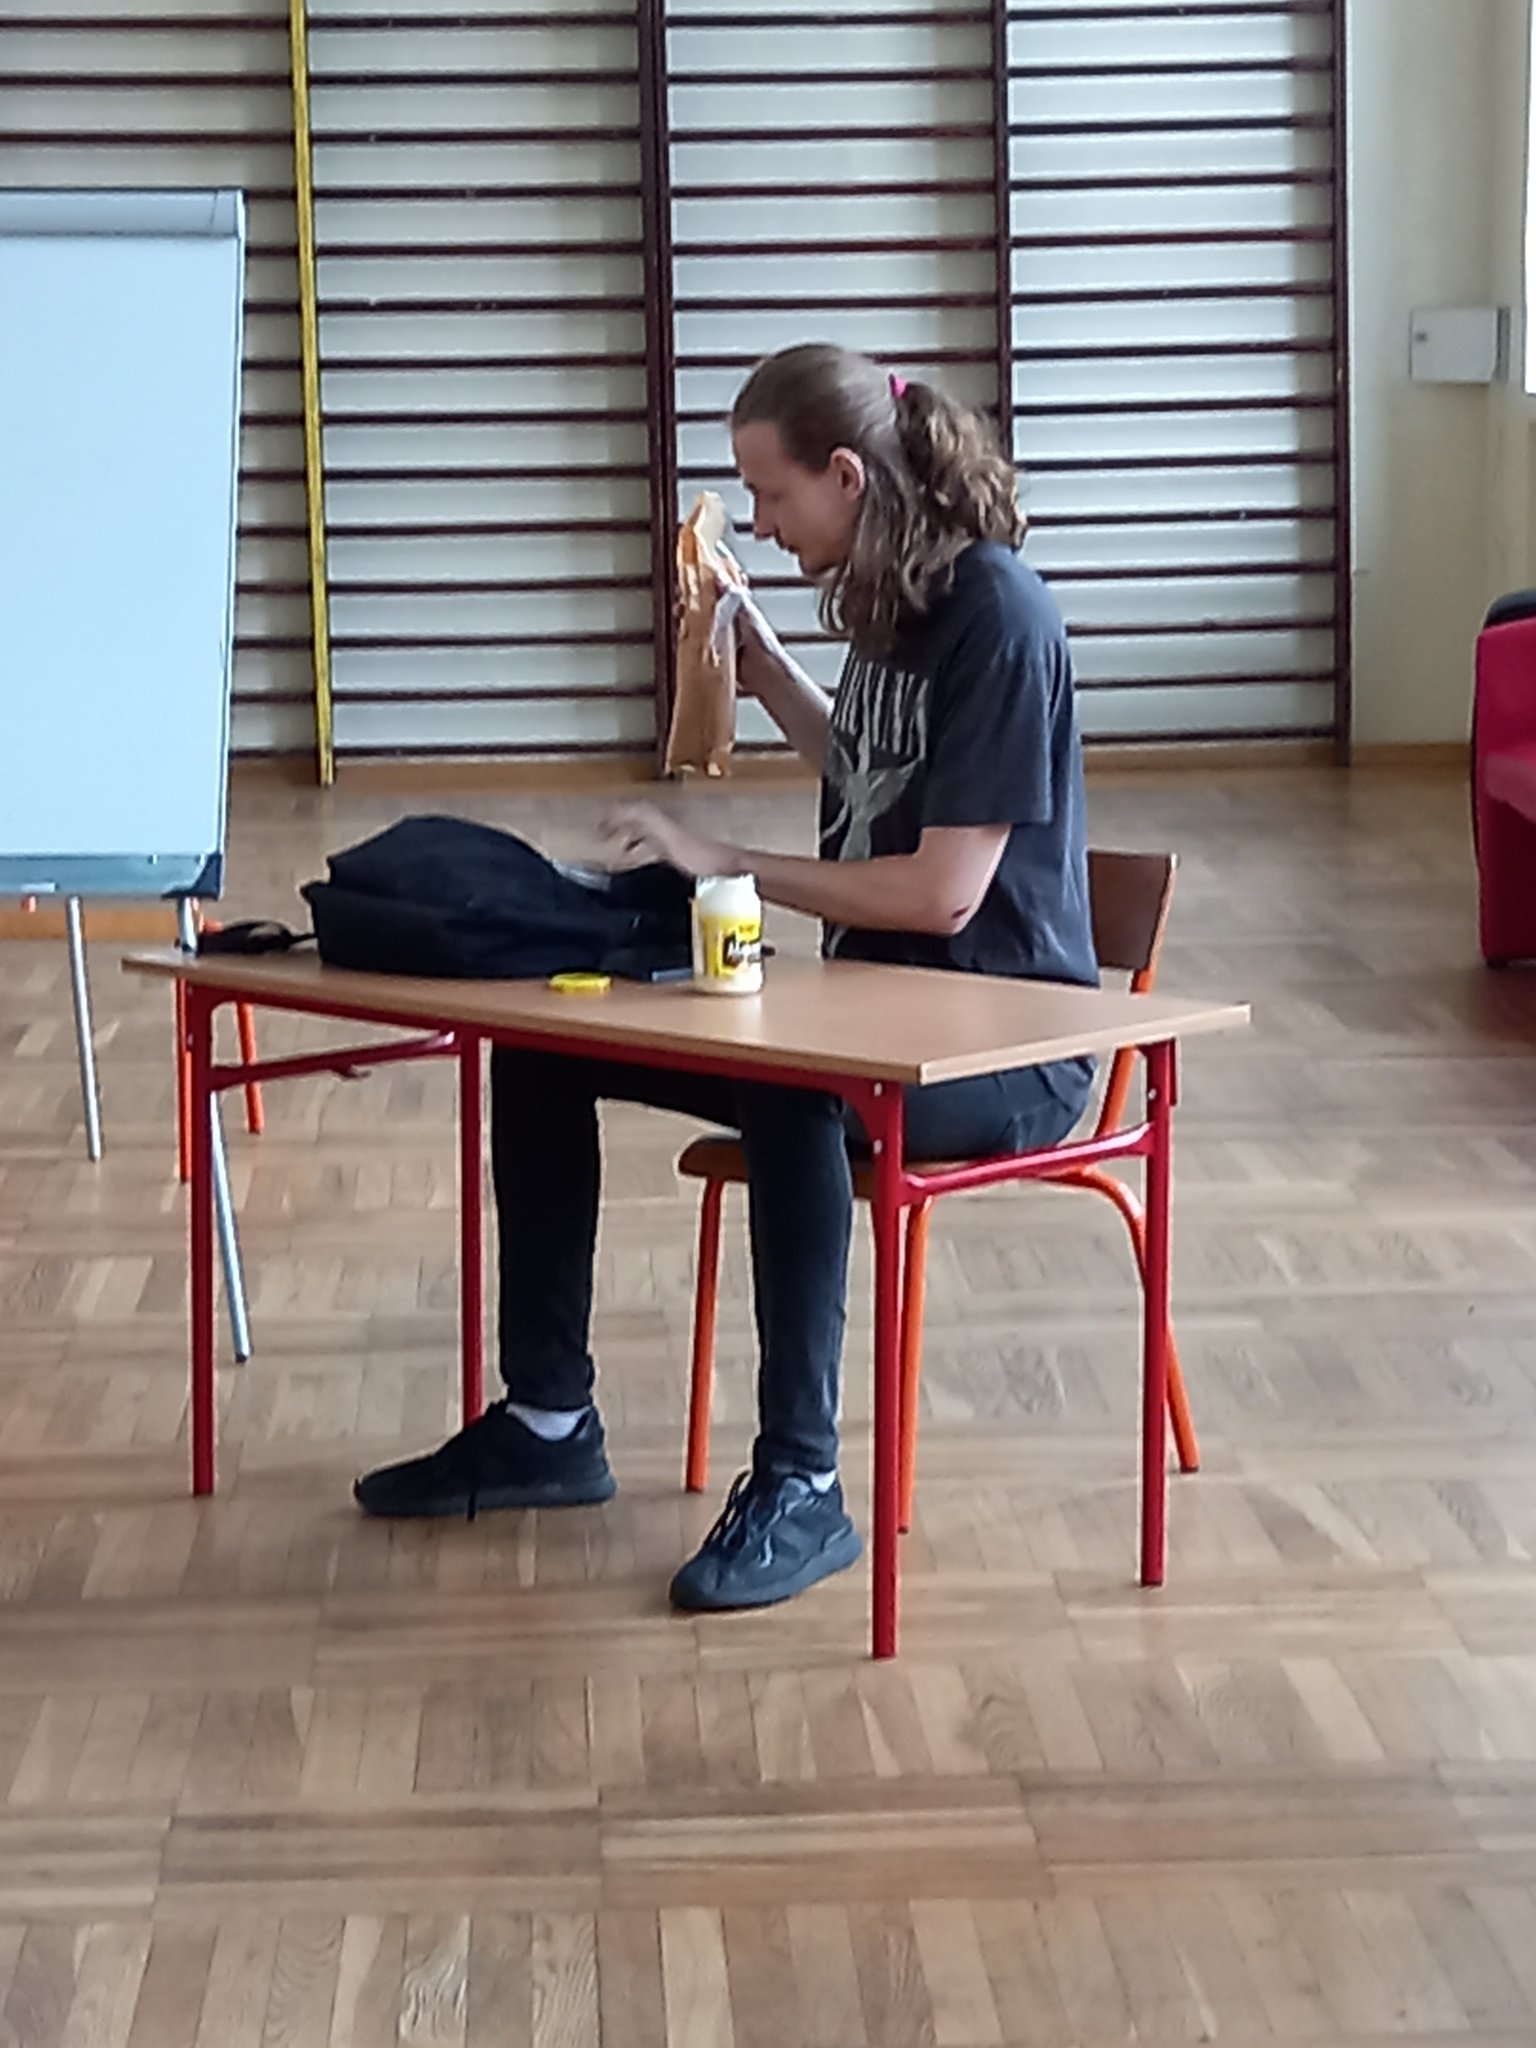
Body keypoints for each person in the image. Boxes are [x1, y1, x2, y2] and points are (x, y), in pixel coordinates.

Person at [353, 342, 1099, 1613]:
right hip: (870, 1014)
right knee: (545, 1042)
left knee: (796, 1087)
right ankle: (547, 1422)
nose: (756, 520)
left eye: (771, 491)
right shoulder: (892, 596)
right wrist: (767, 673)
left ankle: (804, 1482)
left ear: (849, 476)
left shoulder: (999, 615)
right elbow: (871, 770)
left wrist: (727, 861)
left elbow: (942, 892)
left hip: (1006, 1046)